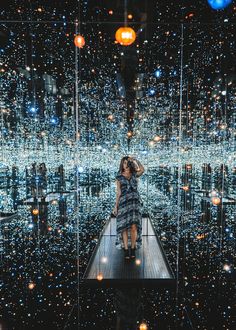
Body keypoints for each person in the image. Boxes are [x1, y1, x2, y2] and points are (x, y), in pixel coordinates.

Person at [113, 156, 144, 260]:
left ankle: (133, 248)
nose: (125, 165)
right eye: (124, 163)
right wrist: (116, 206)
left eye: (127, 163)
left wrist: (135, 160)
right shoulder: (119, 177)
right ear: (121, 164)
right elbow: (118, 192)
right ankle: (126, 249)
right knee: (124, 227)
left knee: (134, 227)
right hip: (123, 203)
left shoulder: (134, 174)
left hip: (135, 203)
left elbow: (142, 169)